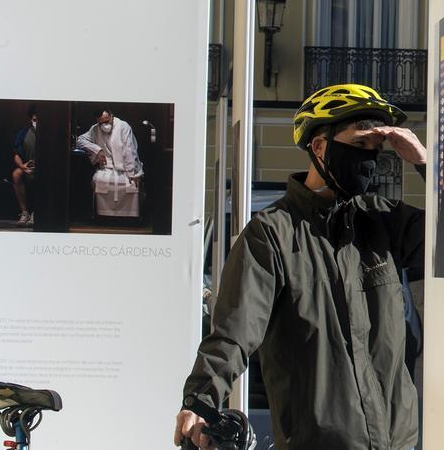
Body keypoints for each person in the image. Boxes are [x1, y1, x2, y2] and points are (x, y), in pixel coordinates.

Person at [175, 84, 427, 450]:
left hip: (397, 443)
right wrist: (200, 399)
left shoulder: (383, 221)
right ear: (320, 146)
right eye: (359, 146)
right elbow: (234, 330)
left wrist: (424, 163)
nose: (369, 160)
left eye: (376, 149)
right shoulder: (272, 234)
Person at [75, 107, 144, 218]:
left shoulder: (123, 126)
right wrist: (97, 150)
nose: (104, 125)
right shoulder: (95, 129)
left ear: (111, 116)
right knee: (99, 180)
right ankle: (104, 217)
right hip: (107, 168)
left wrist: (132, 173)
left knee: (131, 183)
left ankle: (129, 217)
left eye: (106, 121)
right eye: (101, 123)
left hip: (126, 167)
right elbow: (80, 140)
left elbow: (129, 149)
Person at [11, 106, 39, 225]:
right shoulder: (23, 133)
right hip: (27, 166)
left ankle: (37, 212)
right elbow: (16, 153)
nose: (36, 122)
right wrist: (22, 166)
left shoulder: (50, 133)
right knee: (16, 174)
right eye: (34, 120)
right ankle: (25, 212)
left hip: (45, 167)